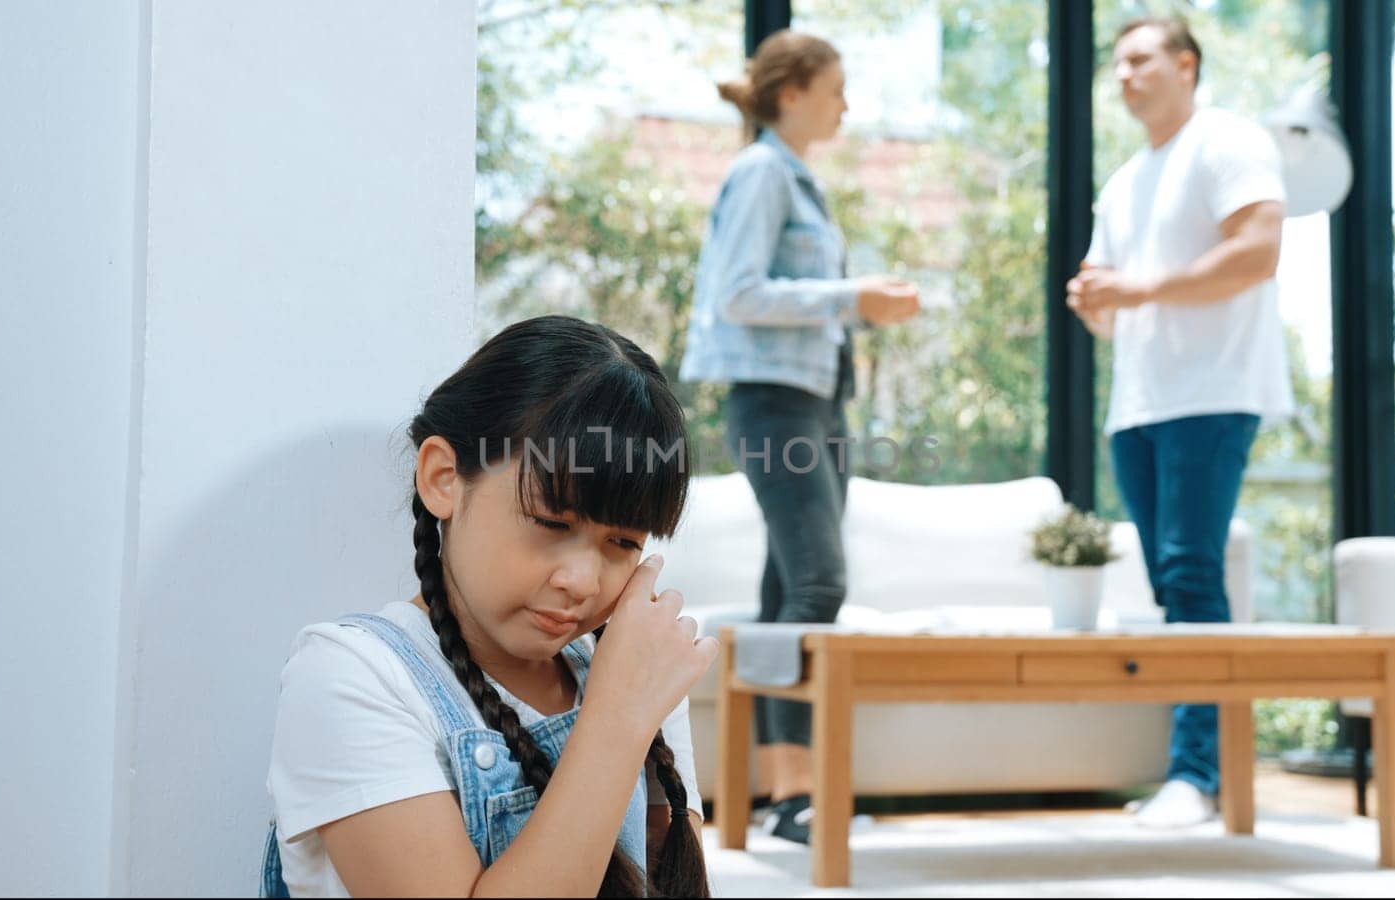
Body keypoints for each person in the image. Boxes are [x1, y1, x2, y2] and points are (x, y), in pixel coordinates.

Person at [264, 315, 719, 896]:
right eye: (552, 522)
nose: (581, 580)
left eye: (623, 543)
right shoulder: (349, 676)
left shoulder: (629, 667)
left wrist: (629, 703)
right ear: (444, 478)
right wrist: (616, 718)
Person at [678, 29, 920, 845]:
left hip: (815, 401)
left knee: (790, 589)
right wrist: (853, 296)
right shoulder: (761, 174)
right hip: (774, 402)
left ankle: (786, 797)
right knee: (819, 583)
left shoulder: (795, 178)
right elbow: (737, 294)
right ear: (793, 93)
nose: (847, 105)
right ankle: (796, 795)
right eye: (836, 88)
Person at [1068, 16, 1291, 829]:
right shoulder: (1126, 179)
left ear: (1186, 64)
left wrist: (1137, 289)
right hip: (1139, 405)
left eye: (1140, 59)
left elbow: (1259, 251)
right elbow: (1111, 305)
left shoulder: (1228, 140)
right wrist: (1097, 298)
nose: (1123, 74)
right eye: (1116, 63)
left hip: (1214, 393)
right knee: (1172, 584)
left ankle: (1196, 777)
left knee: (1192, 572)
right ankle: (1209, 769)